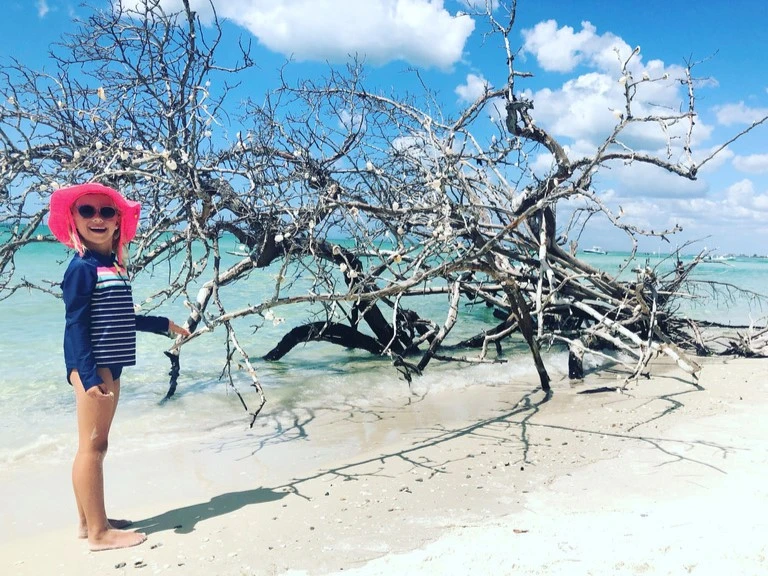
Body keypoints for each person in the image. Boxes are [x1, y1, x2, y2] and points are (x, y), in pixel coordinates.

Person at [48, 182, 191, 551]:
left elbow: (120, 318)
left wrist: (162, 324)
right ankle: (99, 534)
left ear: (117, 223)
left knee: (95, 445)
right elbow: (75, 324)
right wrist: (88, 373)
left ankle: (88, 522)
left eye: (107, 212)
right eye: (87, 211)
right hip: (94, 366)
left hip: (111, 364)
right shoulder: (81, 268)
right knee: (93, 447)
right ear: (73, 220)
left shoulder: (111, 266)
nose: (97, 218)